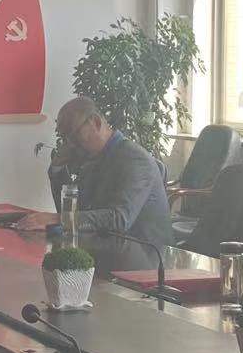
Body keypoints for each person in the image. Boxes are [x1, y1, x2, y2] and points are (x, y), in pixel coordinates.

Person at [15, 97, 173, 245]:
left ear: (96, 122)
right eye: (65, 138)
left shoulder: (136, 159)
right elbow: (73, 213)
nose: (70, 144)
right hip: (104, 246)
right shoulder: (92, 158)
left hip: (145, 254)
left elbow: (119, 219)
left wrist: (56, 219)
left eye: (73, 135)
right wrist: (58, 169)